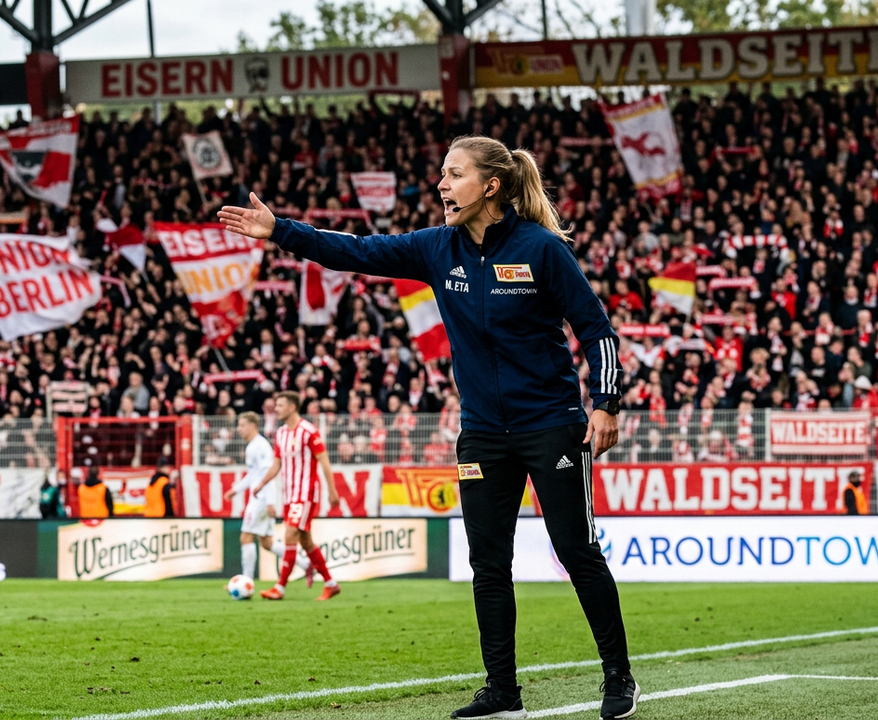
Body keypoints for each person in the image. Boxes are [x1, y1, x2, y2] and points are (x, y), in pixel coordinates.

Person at [219, 136, 637, 719]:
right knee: (488, 563)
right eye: (441, 174)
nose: (441, 184)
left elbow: (597, 328)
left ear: (490, 186)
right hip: (484, 432)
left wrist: (606, 403)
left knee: (575, 551)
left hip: (552, 425)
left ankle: (618, 676)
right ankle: (502, 693)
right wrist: (281, 230)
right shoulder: (436, 248)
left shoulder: (541, 250)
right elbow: (357, 251)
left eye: (454, 174)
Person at [251, 392, 340, 601]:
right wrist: (262, 484)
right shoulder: (280, 433)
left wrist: (332, 489)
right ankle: (331, 583)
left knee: (290, 534)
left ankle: (280, 588)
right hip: (290, 495)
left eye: (280, 405)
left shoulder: (309, 431)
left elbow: (324, 461)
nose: (276, 409)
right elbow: (276, 464)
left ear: (292, 407)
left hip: (306, 493)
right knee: (306, 541)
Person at [223, 411, 312, 582]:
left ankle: (246, 581)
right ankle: (305, 563)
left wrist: (270, 501)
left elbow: (268, 474)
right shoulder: (253, 446)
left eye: (242, 425)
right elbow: (253, 475)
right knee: (267, 542)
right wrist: (236, 489)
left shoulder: (260, 446)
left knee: (246, 537)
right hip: (261, 498)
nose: (238, 429)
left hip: (261, 500)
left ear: (252, 426)